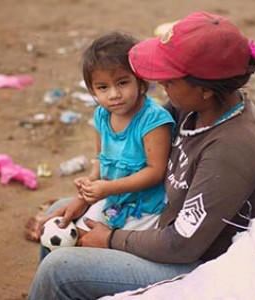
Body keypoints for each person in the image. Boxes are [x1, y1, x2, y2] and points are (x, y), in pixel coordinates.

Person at [28, 11, 255, 299]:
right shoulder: (193, 106)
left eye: (170, 78)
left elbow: (182, 245)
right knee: (65, 212)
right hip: (166, 224)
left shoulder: (232, 147)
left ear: (204, 89)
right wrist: (83, 198)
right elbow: (136, 153)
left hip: (207, 264)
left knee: (59, 270)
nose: (160, 82)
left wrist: (111, 239)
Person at [50, 32, 175, 243]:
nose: (114, 94)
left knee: (88, 243)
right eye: (102, 87)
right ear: (92, 90)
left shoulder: (153, 120)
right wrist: (90, 181)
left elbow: (155, 172)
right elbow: (101, 157)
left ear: (139, 80)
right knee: (72, 234)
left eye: (122, 83)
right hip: (113, 199)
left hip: (144, 208)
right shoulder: (101, 115)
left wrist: (107, 188)